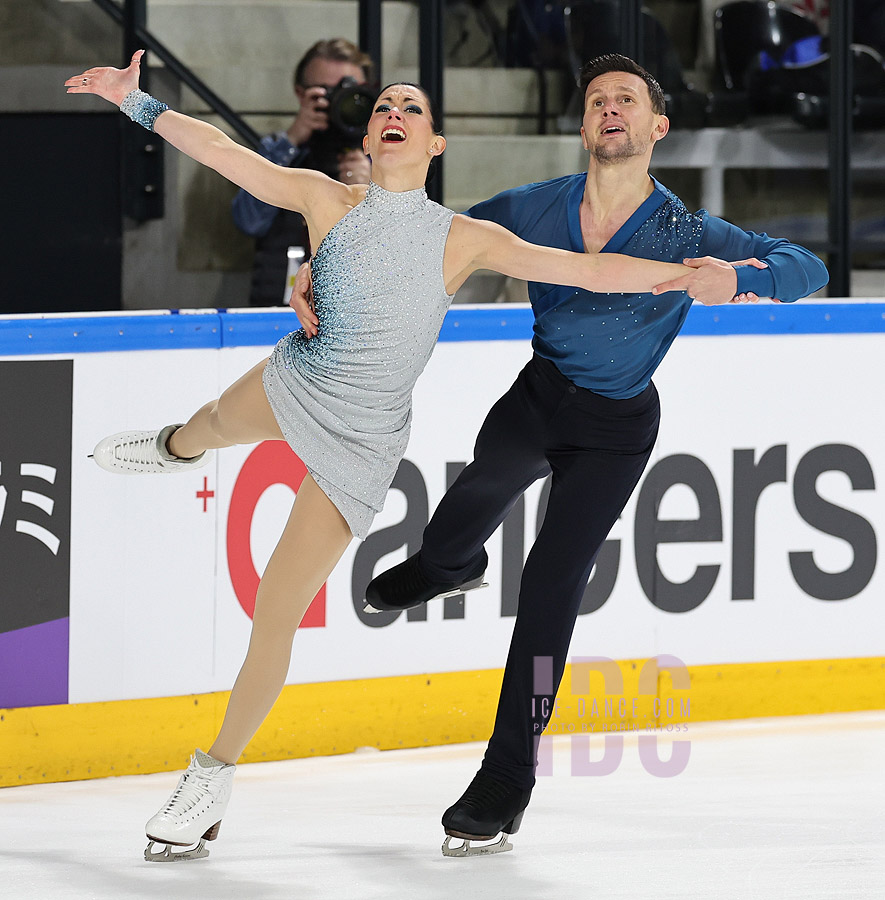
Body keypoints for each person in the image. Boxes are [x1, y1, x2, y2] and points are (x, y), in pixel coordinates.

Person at [63, 50, 728, 862]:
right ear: (370, 137)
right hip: (297, 378)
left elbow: (585, 268)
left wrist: (688, 275)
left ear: (435, 144)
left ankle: (211, 776)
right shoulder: (322, 199)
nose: (394, 113)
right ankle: (172, 449)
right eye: (384, 105)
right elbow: (224, 155)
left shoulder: (464, 237)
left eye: (411, 107)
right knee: (203, 425)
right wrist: (136, 105)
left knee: (276, 610)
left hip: (361, 440)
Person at [306, 54, 829, 856]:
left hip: (615, 430)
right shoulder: (531, 207)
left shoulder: (689, 233)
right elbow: (422, 242)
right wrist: (325, 269)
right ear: (583, 126)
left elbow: (810, 267)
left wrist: (738, 277)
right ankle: (447, 562)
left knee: (550, 587)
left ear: (658, 126)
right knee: (474, 494)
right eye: (595, 100)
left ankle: (506, 777)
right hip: (538, 396)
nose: (609, 108)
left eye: (626, 99)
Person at [232, 38, 374, 306]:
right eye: (326, 93)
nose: (337, 103)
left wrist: (371, 192)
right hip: (278, 314)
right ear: (301, 93)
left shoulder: (384, 160)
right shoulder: (276, 151)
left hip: (356, 315)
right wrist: (292, 140)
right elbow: (248, 221)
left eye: (349, 92)